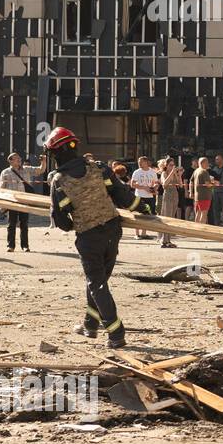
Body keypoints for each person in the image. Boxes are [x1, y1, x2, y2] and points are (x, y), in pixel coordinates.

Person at [44, 127, 152, 348]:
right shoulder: (100, 168)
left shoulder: (59, 181)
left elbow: (62, 223)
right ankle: (90, 325)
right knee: (98, 281)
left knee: (97, 283)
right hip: (113, 231)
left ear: (56, 153)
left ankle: (116, 332)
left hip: (88, 237)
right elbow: (124, 197)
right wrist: (145, 208)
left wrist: (81, 217)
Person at [0, 151, 47, 252]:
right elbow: (1, 188)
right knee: (11, 224)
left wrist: (44, 161)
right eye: (17, 158)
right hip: (11, 201)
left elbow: (40, 170)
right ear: (10, 161)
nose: (19, 159)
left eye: (20, 158)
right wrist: (2, 203)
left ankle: (25, 246)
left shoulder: (26, 169)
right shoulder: (5, 172)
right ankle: (10, 246)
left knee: (24, 224)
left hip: (24, 201)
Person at [129, 155, 159, 240]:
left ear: (146, 162)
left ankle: (144, 233)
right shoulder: (137, 172)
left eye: (141, 162)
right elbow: (132, 184)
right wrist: (144, 187)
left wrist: (154, 188)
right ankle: (137, 234)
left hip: (149, 196)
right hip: (139, 196)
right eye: (139, 162)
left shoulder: (152, 172)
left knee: (147, 215)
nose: (139, 164)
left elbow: (156, 182)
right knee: (138, 214)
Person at [158, 155, 183, 247]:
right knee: (166, 217)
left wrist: (179, 175)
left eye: (173, 165)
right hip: (167, 195)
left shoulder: (174, 173)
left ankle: (168, 240)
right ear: (166, 165)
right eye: (170, 165)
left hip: (175, 194)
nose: (172, 167)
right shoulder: (164, 173)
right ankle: (163, 240)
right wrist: (172, 173)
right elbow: (164, 184)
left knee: (172, 217)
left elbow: (180, 185)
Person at [189, 157, 214, 224]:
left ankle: (196, 230)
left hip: (197, 196)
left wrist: (191, 192)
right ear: (203, 163)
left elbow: (191, 182)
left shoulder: (196, 171)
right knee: (204, 214)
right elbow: (208, 184)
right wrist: (213, 183)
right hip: (205, 196)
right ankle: (201, 230)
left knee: (198, 213)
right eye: (207, 162)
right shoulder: (204, 171)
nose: (208, 164)